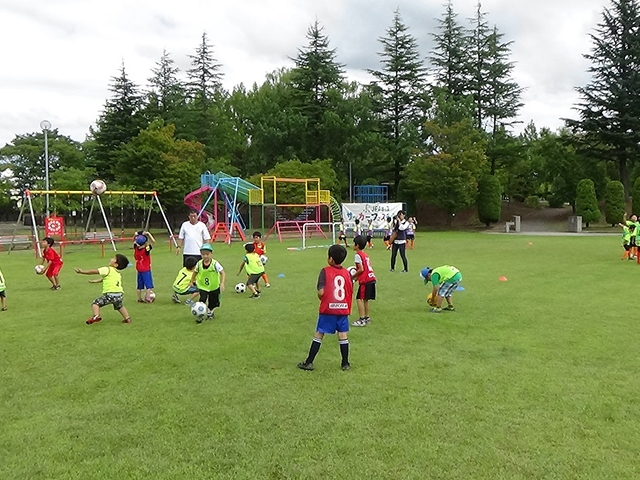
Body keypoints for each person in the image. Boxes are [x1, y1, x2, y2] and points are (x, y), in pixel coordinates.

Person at [298, 244, 353, 371]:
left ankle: (309, 362)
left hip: (328, 309)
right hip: (343, 308)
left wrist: (323, 299)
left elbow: (321, 292)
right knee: (343, 335)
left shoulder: (325, 271)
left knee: (319, 334)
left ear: (331, 259)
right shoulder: (347, 273)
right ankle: (345, 363)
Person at [74, 254, 132, 325]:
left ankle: (96, 316)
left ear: (116, 264)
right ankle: (127, 318)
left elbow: (94, 271)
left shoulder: (107, 269)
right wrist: (96, 281)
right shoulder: (117, 273)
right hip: (119, 294)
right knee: (120, 306)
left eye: (114, 258)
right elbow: (105, 278)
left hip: (110, 294)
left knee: (95, 303)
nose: (111, 259)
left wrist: (82, 272)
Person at [190, 243, 225, 321]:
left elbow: (222, 272)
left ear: (211, 254)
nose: (205, 256)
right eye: (203, 254)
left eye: (207, 254)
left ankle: (210, 312)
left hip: (214, 286)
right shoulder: (199, 264)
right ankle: (200, 315)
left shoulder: (215, 264)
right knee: (202, 300)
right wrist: (192, 281)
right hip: (203, 286)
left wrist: (222, 283)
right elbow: (195, 272)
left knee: (213, 302)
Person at [351, 235, 376, 327]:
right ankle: (367, 317)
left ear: (357, 245)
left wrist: (352, 276)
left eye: (353, 243)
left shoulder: (357, 255)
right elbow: (365, 269)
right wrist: (356, 278)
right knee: (365, 299)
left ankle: (362, 319)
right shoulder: (365, 255)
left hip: (366, 281)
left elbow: (361, 269)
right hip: (371, 278)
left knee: (359, 299)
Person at [133, 231, 156, 303]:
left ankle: (139, 299)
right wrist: (148, 234)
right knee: (148, 285)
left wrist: (135, 235)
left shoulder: (136, 247)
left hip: (139, 268)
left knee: (139, 285)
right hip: (146, 269)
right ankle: (148, 298)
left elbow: (134, 241)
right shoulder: (146, 249)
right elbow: (153, 242)